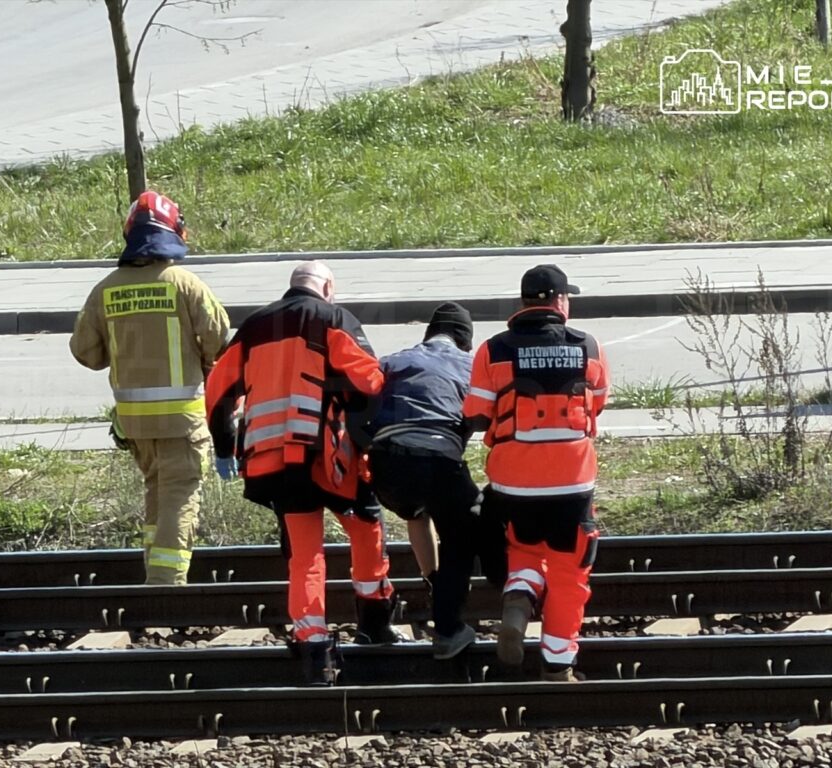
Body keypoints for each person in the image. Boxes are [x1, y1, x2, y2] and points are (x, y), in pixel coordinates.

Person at [205, 260, 403, 684]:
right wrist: (366, 433)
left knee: (304, 554)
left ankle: (314, 649)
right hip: (330, 459)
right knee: (367, 529)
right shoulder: (333, 319)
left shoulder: (254, 327)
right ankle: (374, 622)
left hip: (273, 461)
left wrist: (225, 447)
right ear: (327, 287)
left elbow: (218, 388)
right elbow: (371, 382)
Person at [70, 190, 231, 586]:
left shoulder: (106, 289)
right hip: (183, 421)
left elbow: (86, 352)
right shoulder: (184, 283)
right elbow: (220, 341)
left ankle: (152, 580)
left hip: (135, 425)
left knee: (156, 496)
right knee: (179, 497)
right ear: (174, 233)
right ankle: (166, 591)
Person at [463, 264, 609, 682]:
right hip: (572, 480)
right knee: (568, 572)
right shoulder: (590, 346)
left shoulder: (494, 349)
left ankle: (519, 597)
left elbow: (475, 413)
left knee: (523, 549)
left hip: (513, 481)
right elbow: (597, 403)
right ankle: (558, 663)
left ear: (524, 302)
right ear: (561, 301)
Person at [366, 302, 507, 660]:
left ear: (428, 335)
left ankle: (434, 583)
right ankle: (450, 628)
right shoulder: (469, 366)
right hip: (435, 459)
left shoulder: (392, 361)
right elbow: (488, 417)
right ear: (465, 341)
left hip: (386, 467)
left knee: (417, 512)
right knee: (463, 533)